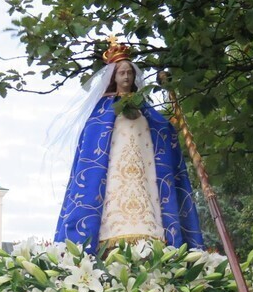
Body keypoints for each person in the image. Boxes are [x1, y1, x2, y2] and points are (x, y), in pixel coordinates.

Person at [54, 40, 203, 252]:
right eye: (122, 73)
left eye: (129, 73)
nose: (126, 77)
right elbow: (92, 148)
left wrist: (171, 127)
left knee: (151, 207)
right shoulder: (102, 112)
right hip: (113, 177)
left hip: (145, 174)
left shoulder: (144, 109)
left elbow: (161, 132)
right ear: (113, 77)